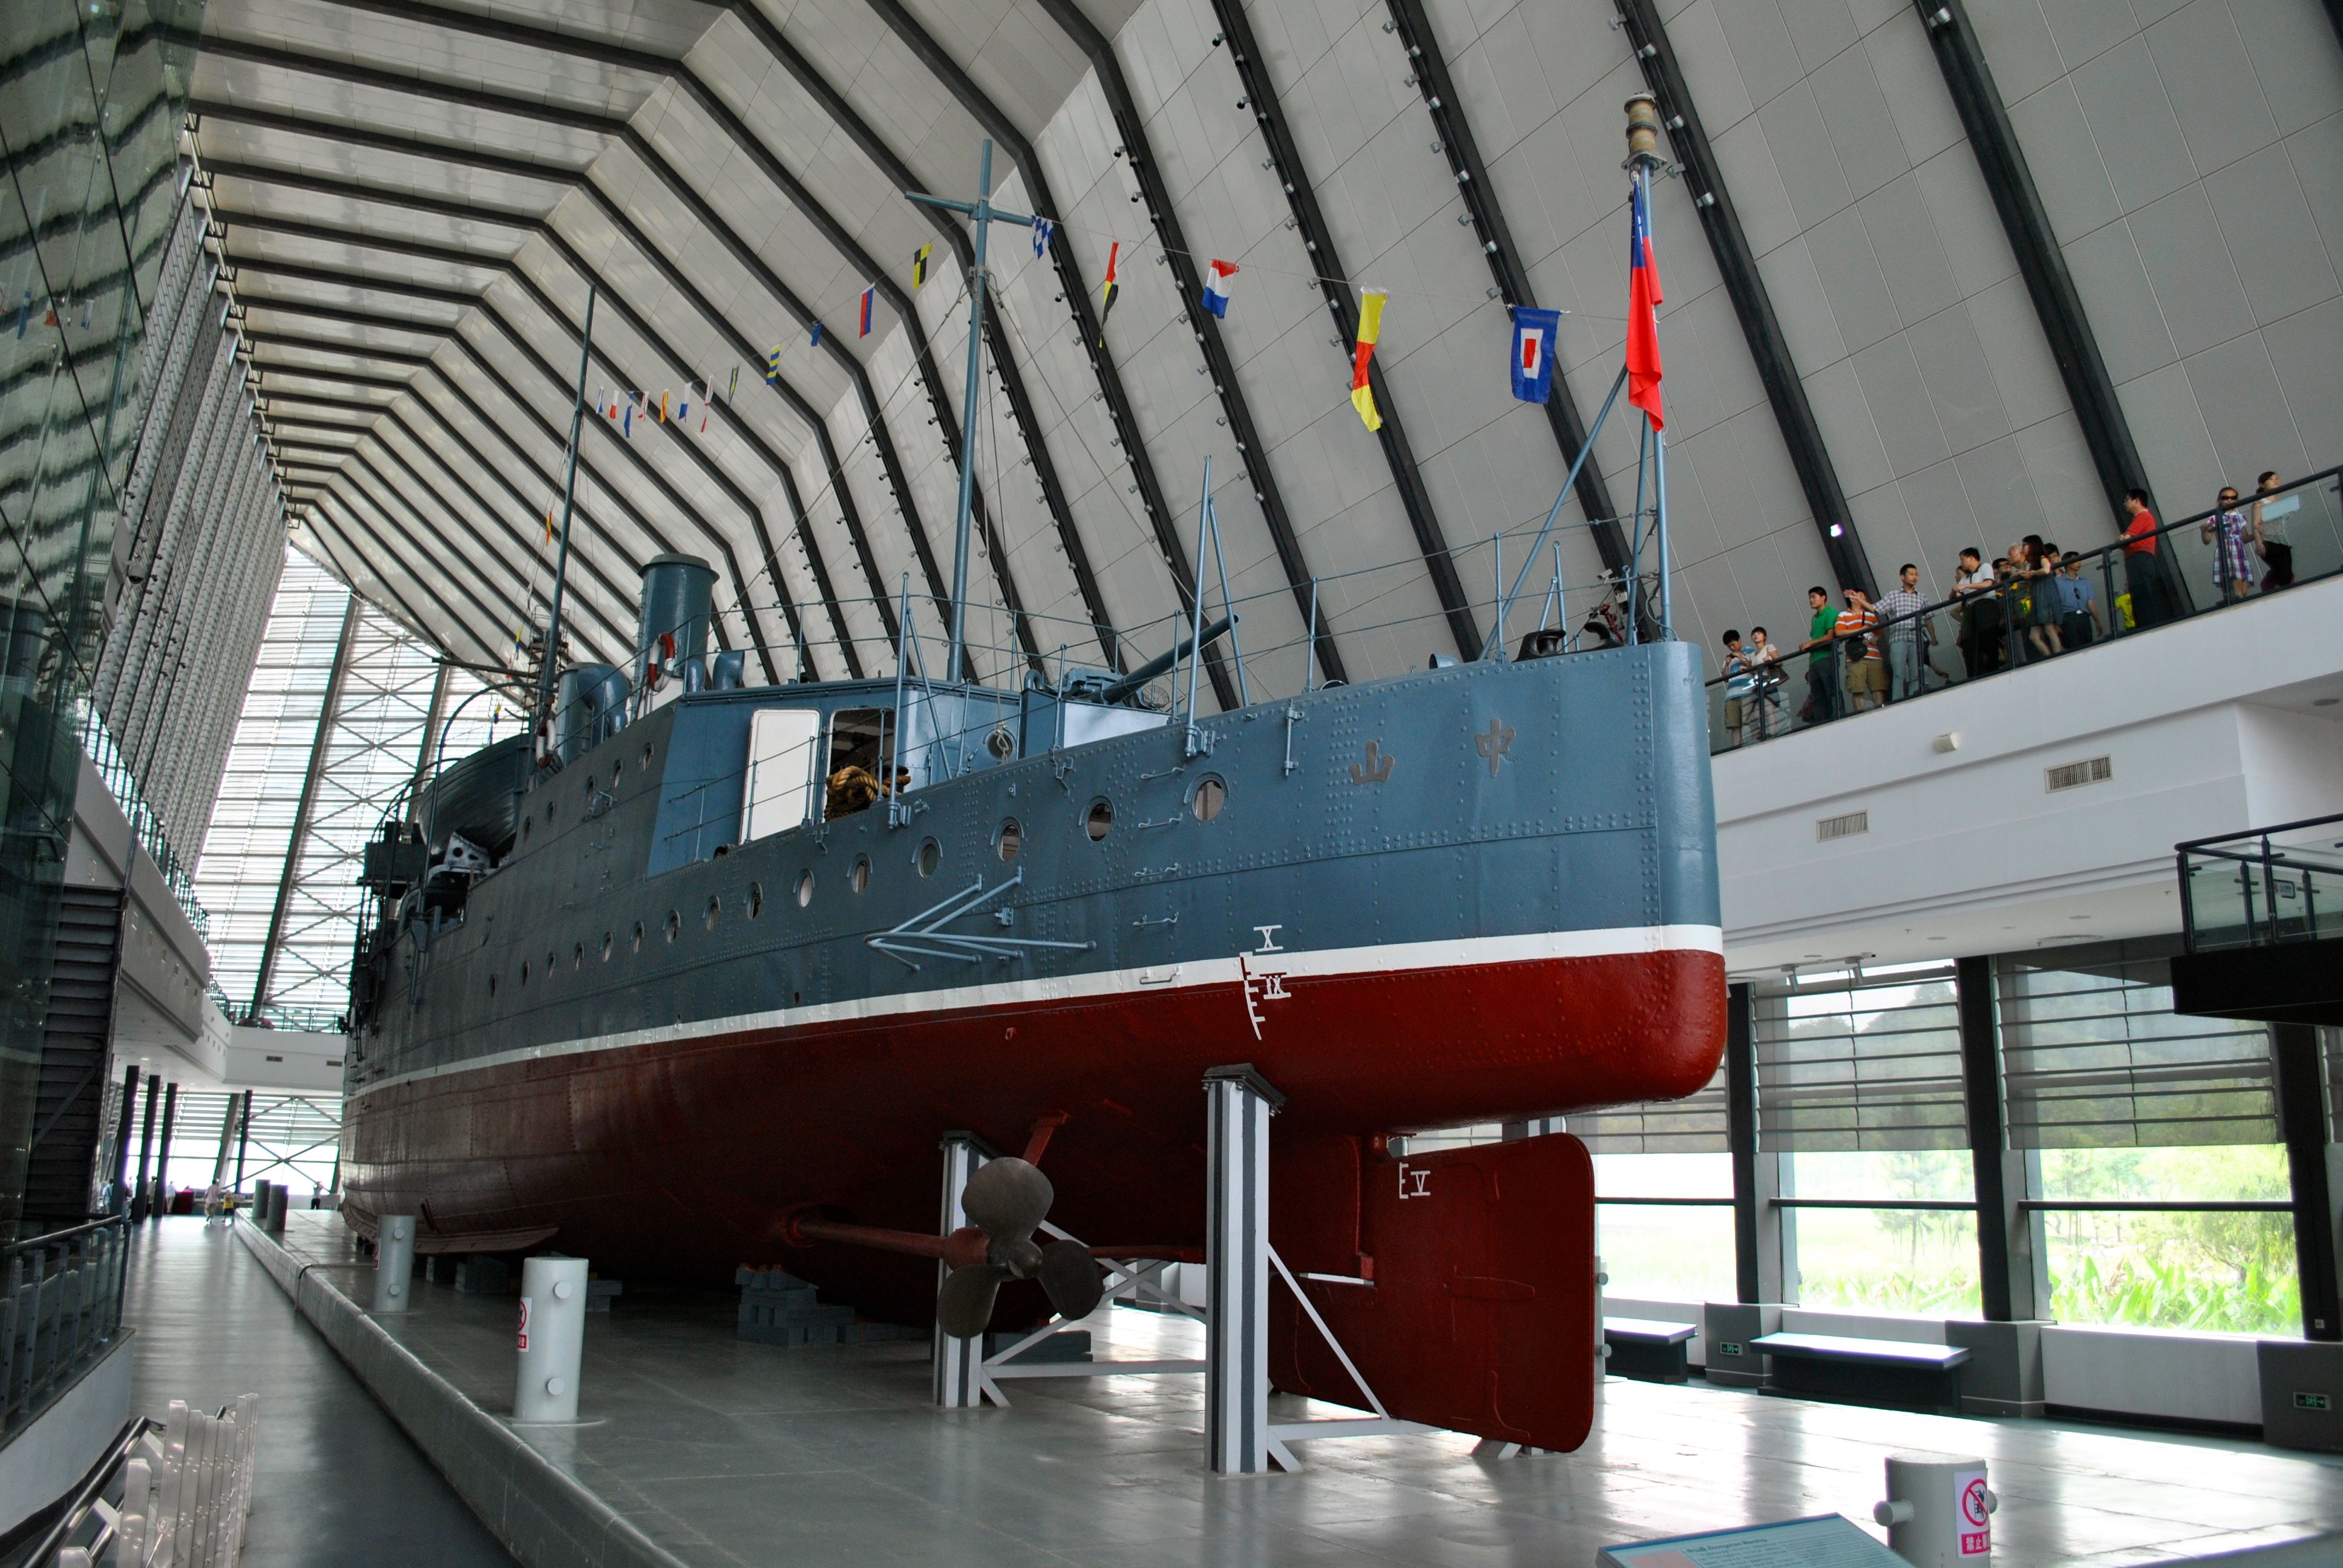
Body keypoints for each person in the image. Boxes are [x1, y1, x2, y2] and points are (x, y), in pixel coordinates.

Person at [1876, 563, 1928, 701]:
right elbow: (1876, 609)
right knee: (1899, 674)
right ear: (1902, 577)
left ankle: (1914, 698)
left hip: (1916, 638)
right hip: (1898, 638)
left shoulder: (1922, 597)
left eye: (1916, 575)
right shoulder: (1893, 595)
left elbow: (1928, 618)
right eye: (1911, 574)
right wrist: (1859, 600)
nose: (1915, 577)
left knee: (1916, 674)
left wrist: (1933, 637)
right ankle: (1898, 700)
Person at [2202, 486, 2256, 603]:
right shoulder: (2215, 518)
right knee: (2233, 580)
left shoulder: (2239, 517)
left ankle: (2238, 602)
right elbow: (2207, 540)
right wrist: (2204, 532)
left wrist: (2257, 534)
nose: (2229, 500)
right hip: (2225, 549)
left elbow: (2244, 538)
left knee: (2243, 587)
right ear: (2219, 500)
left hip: (2239, 550)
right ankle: (2236, 602)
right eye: (2225, 498)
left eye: (2233, 498)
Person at [1798, 586, 1843, 725]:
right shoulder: (1815, 617)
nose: (1811, 600)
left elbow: (1830, 636)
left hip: (1826, 656)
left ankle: (1838, 717)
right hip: (1814, 659)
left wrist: (1810, 643)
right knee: (1817, 694)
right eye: (1810, 598)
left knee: (1831, 690)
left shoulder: (1830, 613)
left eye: (1814, 597)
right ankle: (1822, 722)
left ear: (1823, 598)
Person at [2122, 489, 2166, 629]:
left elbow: (2125, 539)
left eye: (2127, 500)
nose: (2125, 503)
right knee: (2141, 596)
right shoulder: (2142, 518)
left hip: (2140, 559)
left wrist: (2121, 539)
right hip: (2140, 559)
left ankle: (2148, 627)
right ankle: (2147, 625)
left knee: (2142, 597)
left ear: (2136, 501)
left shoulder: (2143, 517)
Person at [1837, 587, 1884, 713]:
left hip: (1874, 656)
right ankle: (1860, 715)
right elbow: (1839, 632)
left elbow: (1879, 633)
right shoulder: (1843, 615)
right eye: (1861, 596)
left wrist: (1874, 638)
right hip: (1854, 657)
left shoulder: (1871, 615)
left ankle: (1881, 713)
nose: (1863, 599)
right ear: (1853, 598)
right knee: (1857, 689)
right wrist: (1860, 630)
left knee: (1877, 687)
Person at [1951, 547, 1994, 679]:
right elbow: (1954, 597)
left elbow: (1988, 583)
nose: (1961, 563)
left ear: (1971, 558)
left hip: (1985, 606)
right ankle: (1976, 674)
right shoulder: (1966, 578)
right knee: (1971, 643)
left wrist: (1966, 587)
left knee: (1988, 639)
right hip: (1971, 610)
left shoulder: (1985, 567)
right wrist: (1955, 591)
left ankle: (1993, 670)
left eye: (1962, 559)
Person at [2253, 471, 2295, 591]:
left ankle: (2275, 587)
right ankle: (2270, 588)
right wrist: (2259, 543)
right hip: (2269, 541)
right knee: (2282, 571)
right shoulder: (2260, 503)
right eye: (2271, 479)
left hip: (2282, 540)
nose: (2275, 481)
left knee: (2285, 571)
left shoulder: (2279, 502)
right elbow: (2256, 525)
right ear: (2262, 484)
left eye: (2276, 478)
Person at [2056, 552, 2103, 648]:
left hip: (2084, 617)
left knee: (2088, 644)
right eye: (2076, 561)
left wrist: (2097, 621)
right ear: (2068, 563)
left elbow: (2090, 602)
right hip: (2068, 617)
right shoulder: (2058, 582)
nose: (2079, 563)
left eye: (2080, 561)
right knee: (2074, 646)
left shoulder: (2085, 582)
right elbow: (2056, 603)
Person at [1745, 626, 1783, 740]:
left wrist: (1770, 660)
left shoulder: (1769, 647)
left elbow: (1780, 662)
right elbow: (1752, 670)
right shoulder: (1752, 654)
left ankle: (1772, 733)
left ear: (1765, 636)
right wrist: (1746, 668)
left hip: (1768, 681)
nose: (1756, 636)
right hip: (1758, 683)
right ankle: (1763, 734)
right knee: (1757, 713)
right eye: (1754, 634)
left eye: (1759, 633)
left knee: (1768, 709)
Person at [1720, 631, 1753, 747]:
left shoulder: (1750, 651)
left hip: (1748, 692)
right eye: (1729, 646)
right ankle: (1736, 747)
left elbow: (1755, 667)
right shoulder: (1729, 658)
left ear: (1739, 640)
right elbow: (1725, 678)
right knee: (1734, 725)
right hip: (1731, 695)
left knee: (1751, 720)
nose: (1732, 648)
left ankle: (1756, 742)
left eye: (1733, 644)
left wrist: (1741, 658)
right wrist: (1727, 664)